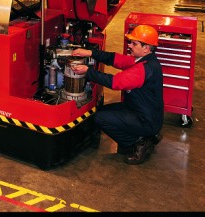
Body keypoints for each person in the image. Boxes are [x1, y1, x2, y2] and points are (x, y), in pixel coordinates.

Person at [70, 24, 164, 165]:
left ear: (146, 48)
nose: (130, 46)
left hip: (145, 119)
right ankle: (147, 135)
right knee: (99, 112)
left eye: (134, 43)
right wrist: (90, 53)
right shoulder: (144, 59)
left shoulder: (144, 69)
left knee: (101, 118)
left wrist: (88, 71)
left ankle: (140, 141)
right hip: (139, 110)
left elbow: (114, 82)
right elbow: (115, 59)